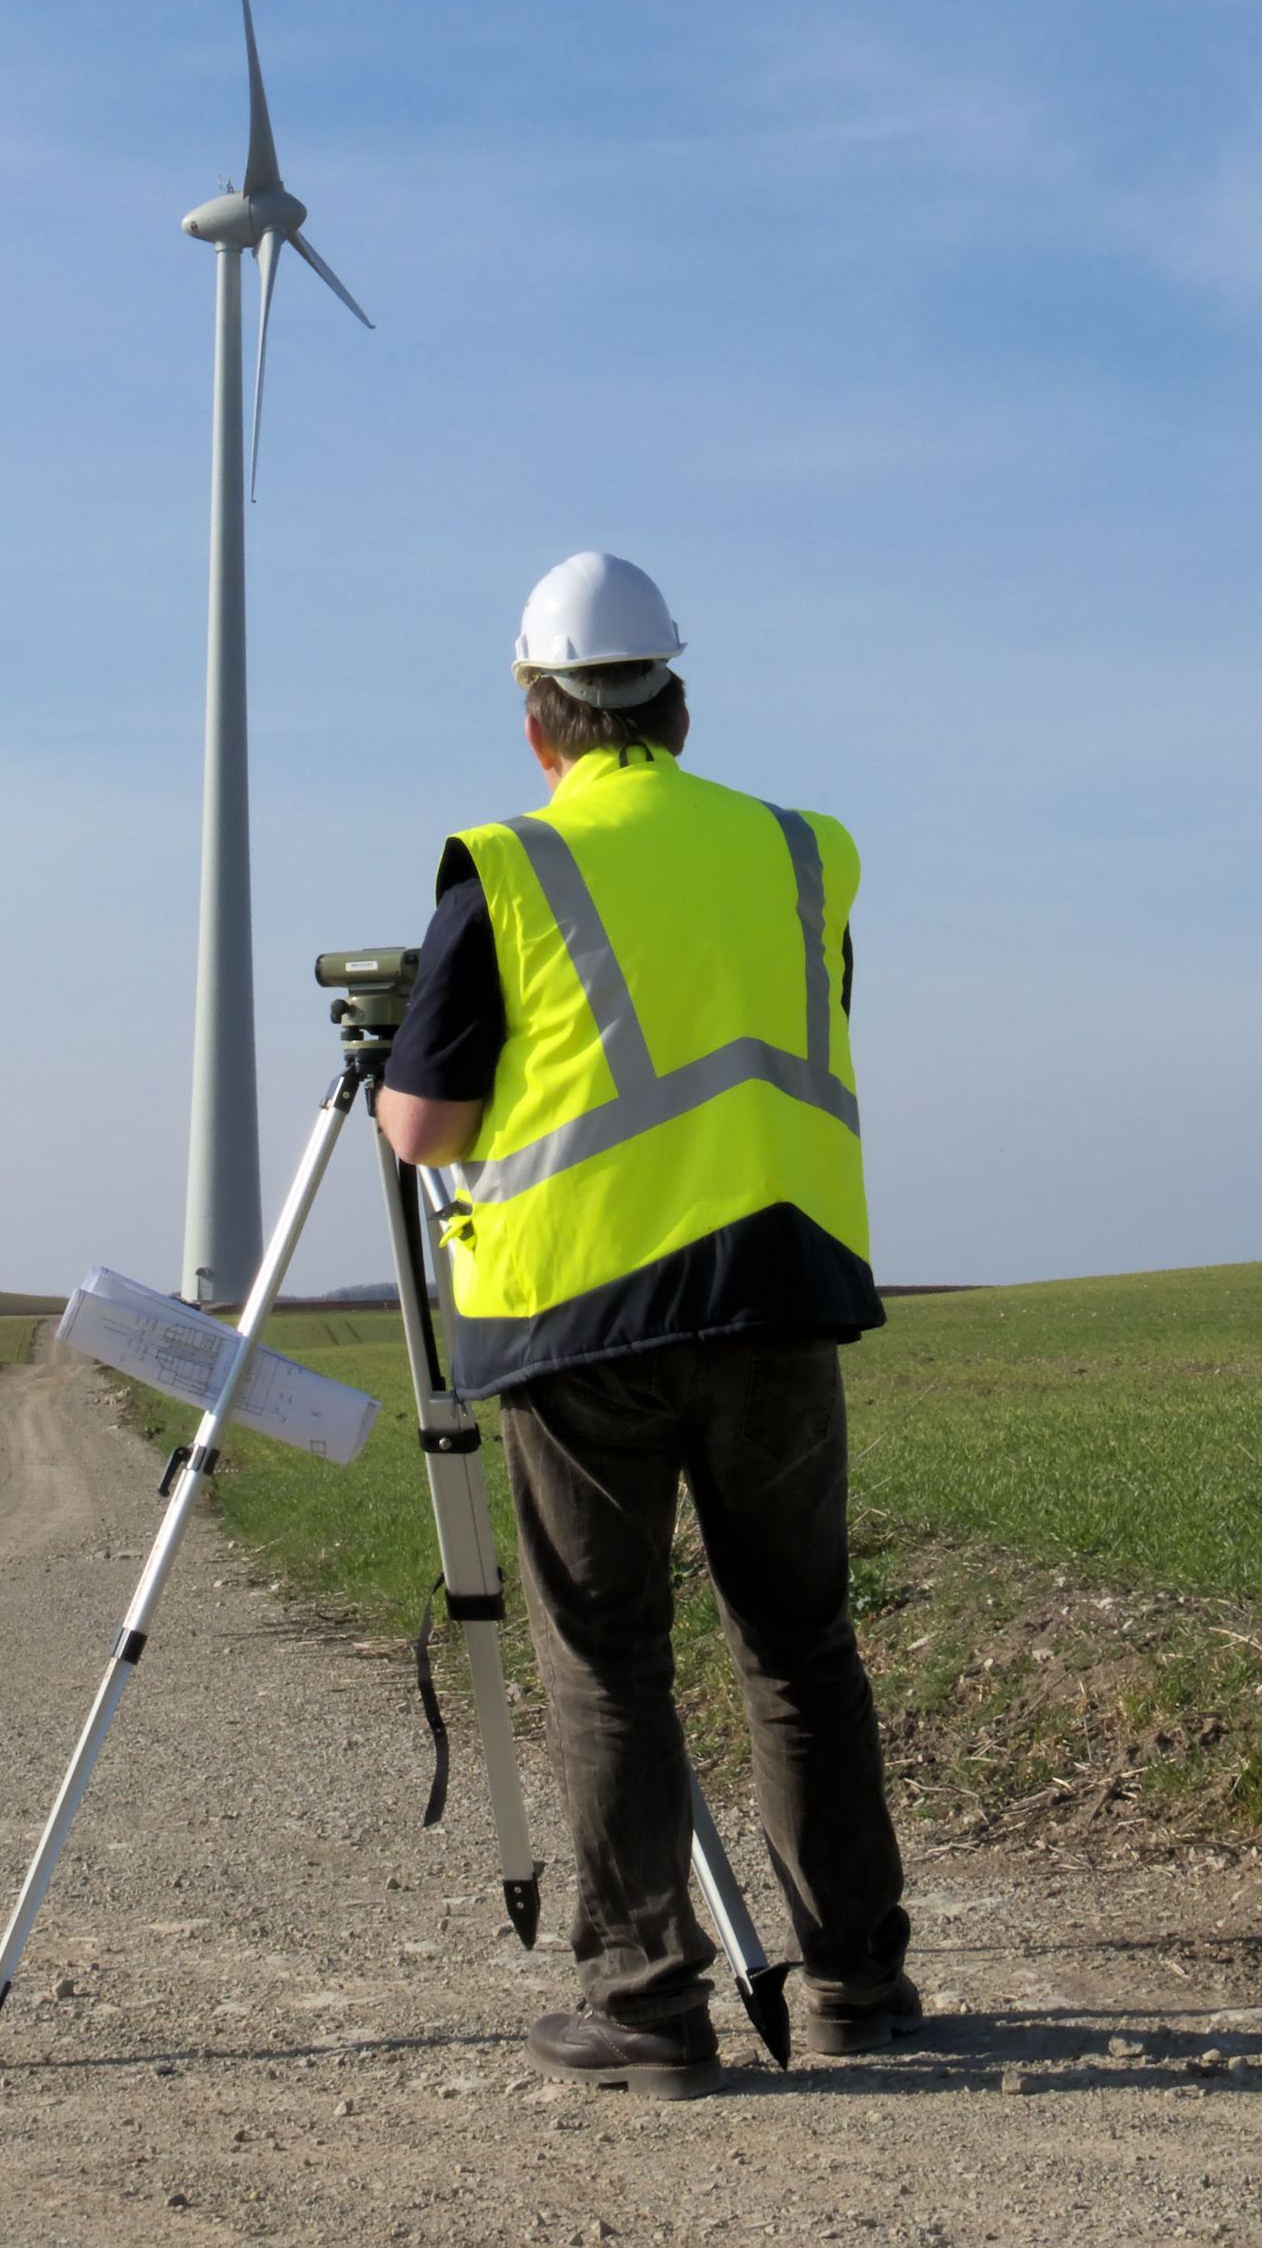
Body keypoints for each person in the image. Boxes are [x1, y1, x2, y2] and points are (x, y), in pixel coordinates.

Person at [376, 551, 915, 2100]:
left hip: (587, 1321)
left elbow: (421, 1126)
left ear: (540, 723)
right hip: (779, 1293)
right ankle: (859, 1986)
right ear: (677, 702)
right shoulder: (804, 854)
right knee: (802, 1649)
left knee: (610, 1661)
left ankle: (645, 2006)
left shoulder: (509, 870)